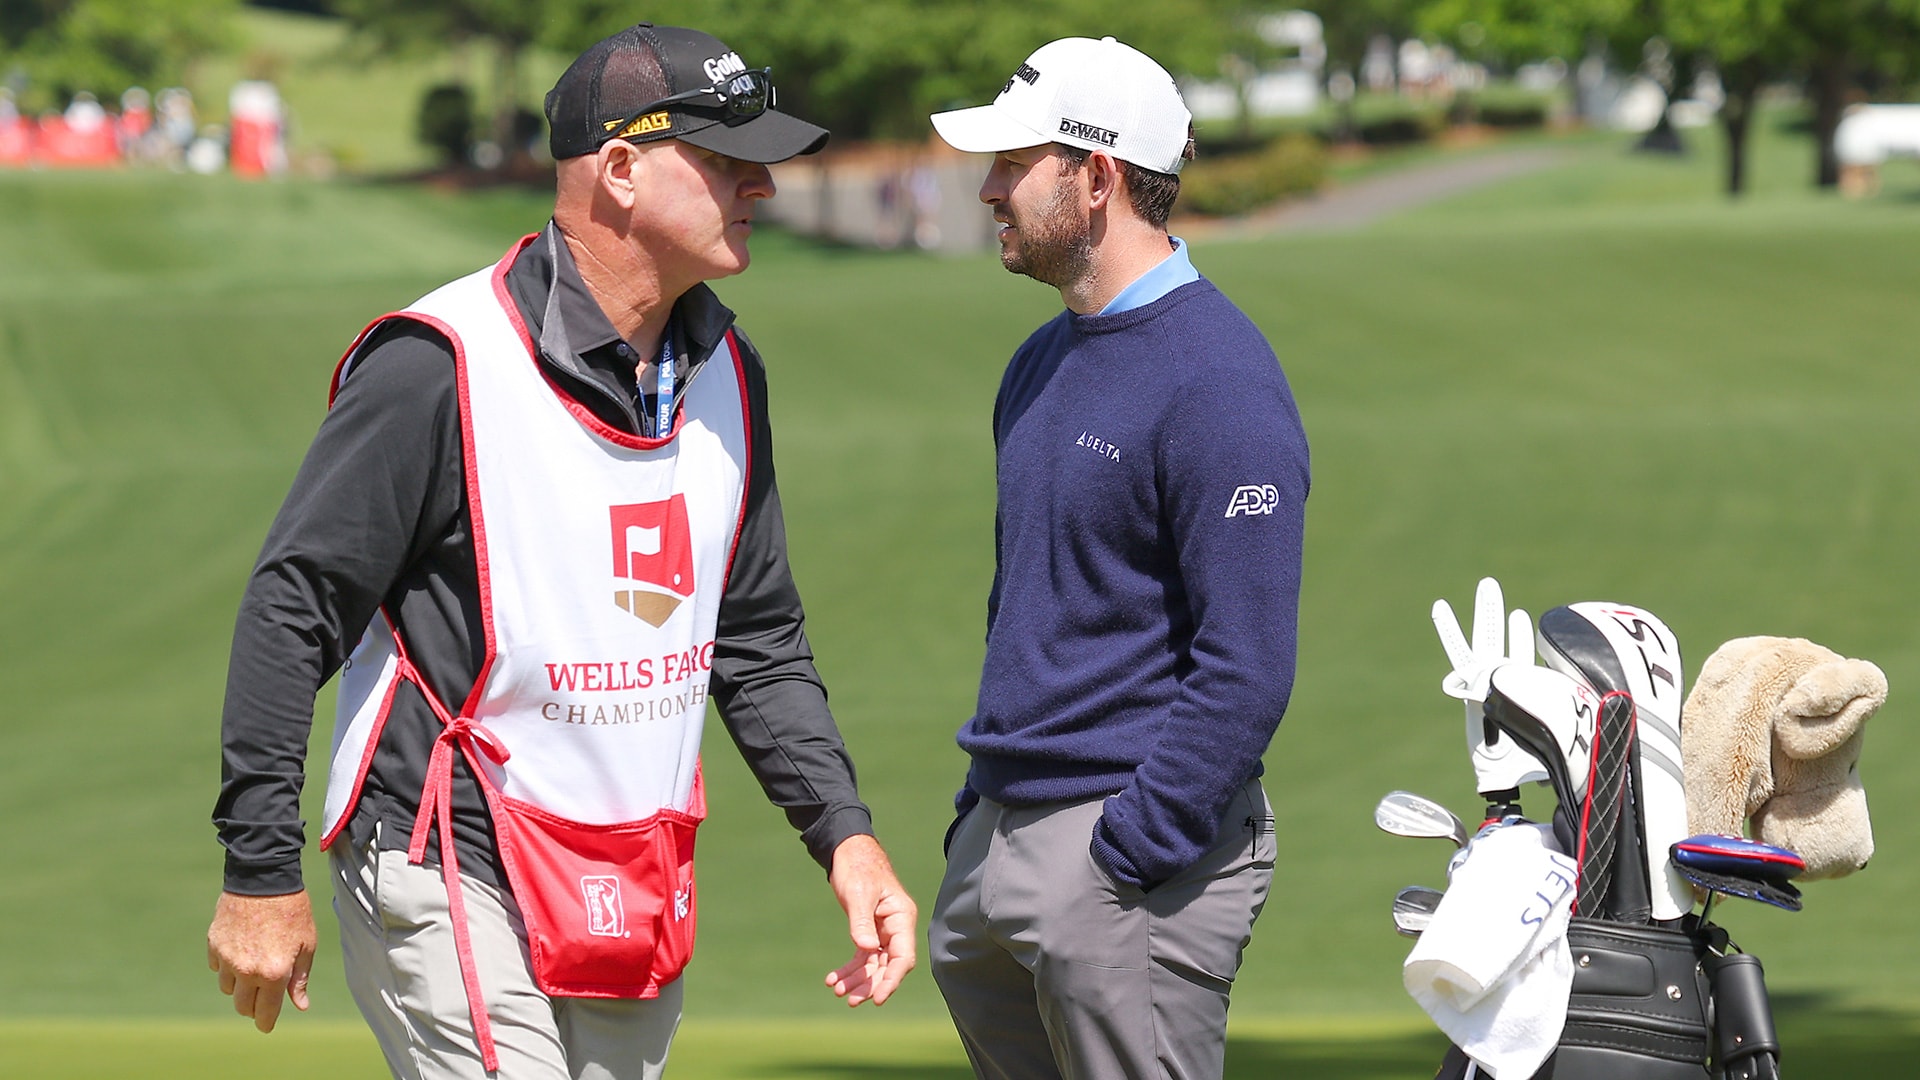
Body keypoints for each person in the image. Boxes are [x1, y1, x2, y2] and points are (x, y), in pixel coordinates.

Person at [206, 23, 917, 1079]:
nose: (760, 186)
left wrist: (846, 838)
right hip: (440, 847)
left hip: (631, 860)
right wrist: (258, 871)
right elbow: (290, 605)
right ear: (621, 170)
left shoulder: (729, 371)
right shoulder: (437, 364)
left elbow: (756, 640)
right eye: (726, 161)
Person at [925, 36, 1309, 1080]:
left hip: (1122, 855)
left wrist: (1127, 853)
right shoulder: (1041, 358)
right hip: (1003, 832)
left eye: (1016, 163)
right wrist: (982, 820)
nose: (990, 189)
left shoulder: (1219, 382)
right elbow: (1030, 607)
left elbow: (1247, 665)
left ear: (1095, 179)